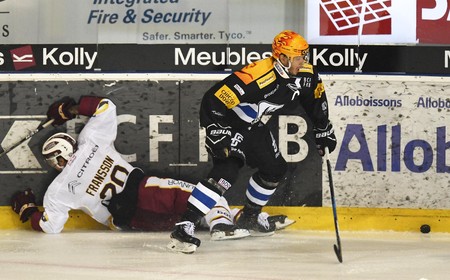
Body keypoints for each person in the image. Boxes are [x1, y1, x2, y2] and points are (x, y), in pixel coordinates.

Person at [11, 96, 293, 247]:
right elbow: (106, 106)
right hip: (144, 191)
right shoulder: (90, 141)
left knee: (186, 214)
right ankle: (225, 224)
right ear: (70, 143)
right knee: (205, 195)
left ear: (55, 161)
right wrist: (70, 109)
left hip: (125, 222)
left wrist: (27, 212)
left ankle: (240, 219)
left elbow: (50, 226)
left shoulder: (58, 190)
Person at [168, 30, 337, 253]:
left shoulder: (306, 74)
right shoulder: (257, 75)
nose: (302, 62)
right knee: (227, 171)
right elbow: (214, 99)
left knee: (274, 168)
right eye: (298, 57)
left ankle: (249, 217)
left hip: (252, 124)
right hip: (228, 123)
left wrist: (323, 129)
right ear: (283, 58)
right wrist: (216, 129)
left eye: (303, 56)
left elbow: (315, 100)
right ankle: (184, 226)